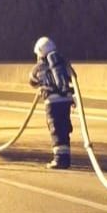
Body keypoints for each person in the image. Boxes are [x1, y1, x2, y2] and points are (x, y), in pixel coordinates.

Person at [29, 36, 75, 169]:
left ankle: (59, 160)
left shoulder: (39, 67)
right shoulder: (62, 63)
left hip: (52, 103)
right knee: (64, 129)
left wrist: (42, 84)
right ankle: (66, 158)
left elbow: (31, 81)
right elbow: (72, 77)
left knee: (55, 129)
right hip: (65, 101)